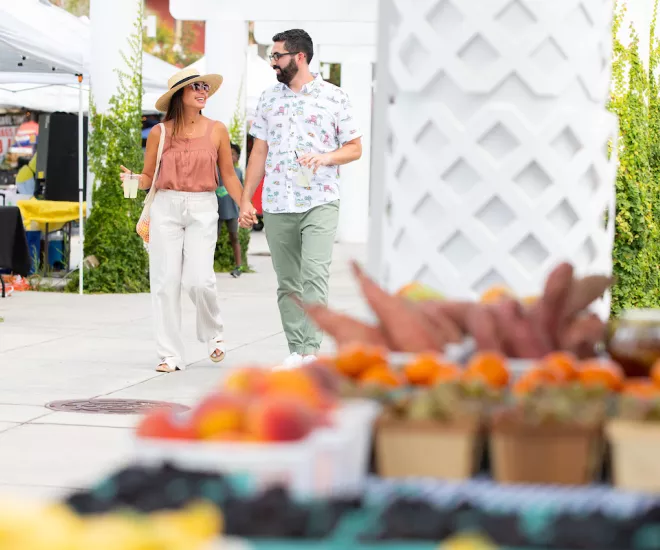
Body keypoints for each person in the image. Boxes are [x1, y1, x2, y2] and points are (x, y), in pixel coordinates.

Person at [238, 28, 363, 368]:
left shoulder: (335, 97)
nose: (273, 63)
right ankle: (295, 352)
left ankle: (311, 352)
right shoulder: (268, 98)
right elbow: (258, 152)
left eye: (277, 56)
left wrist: (326, 158)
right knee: (288, 283)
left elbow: (355, 149)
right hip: (279, 203)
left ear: (300, 57)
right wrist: (246, 200)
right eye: (271, 57)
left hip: (320, 199)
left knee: (314, 276)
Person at [120, 67, 255, 373]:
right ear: (179, 95)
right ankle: (170, 354)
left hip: (203, 206)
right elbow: (147, 177)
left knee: (199, 281)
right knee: (165, 283)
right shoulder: (160, 132)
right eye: (196, 87)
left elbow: (228, 175)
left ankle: (213, 335)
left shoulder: (217, 130)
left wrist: (243, 204)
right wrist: (131, 179)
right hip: (165, 205)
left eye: (205, 87)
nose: (203, 91)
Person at [217, 142, 243, 278]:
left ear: (237, 157)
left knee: (234, 237)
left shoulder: (238, 172)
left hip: (232, 211)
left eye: (233, 154)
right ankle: (207, 266)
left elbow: (241, 191)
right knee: (213, 238)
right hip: (217, 210)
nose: (230, 156)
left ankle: (239, 266)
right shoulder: (216, 170)